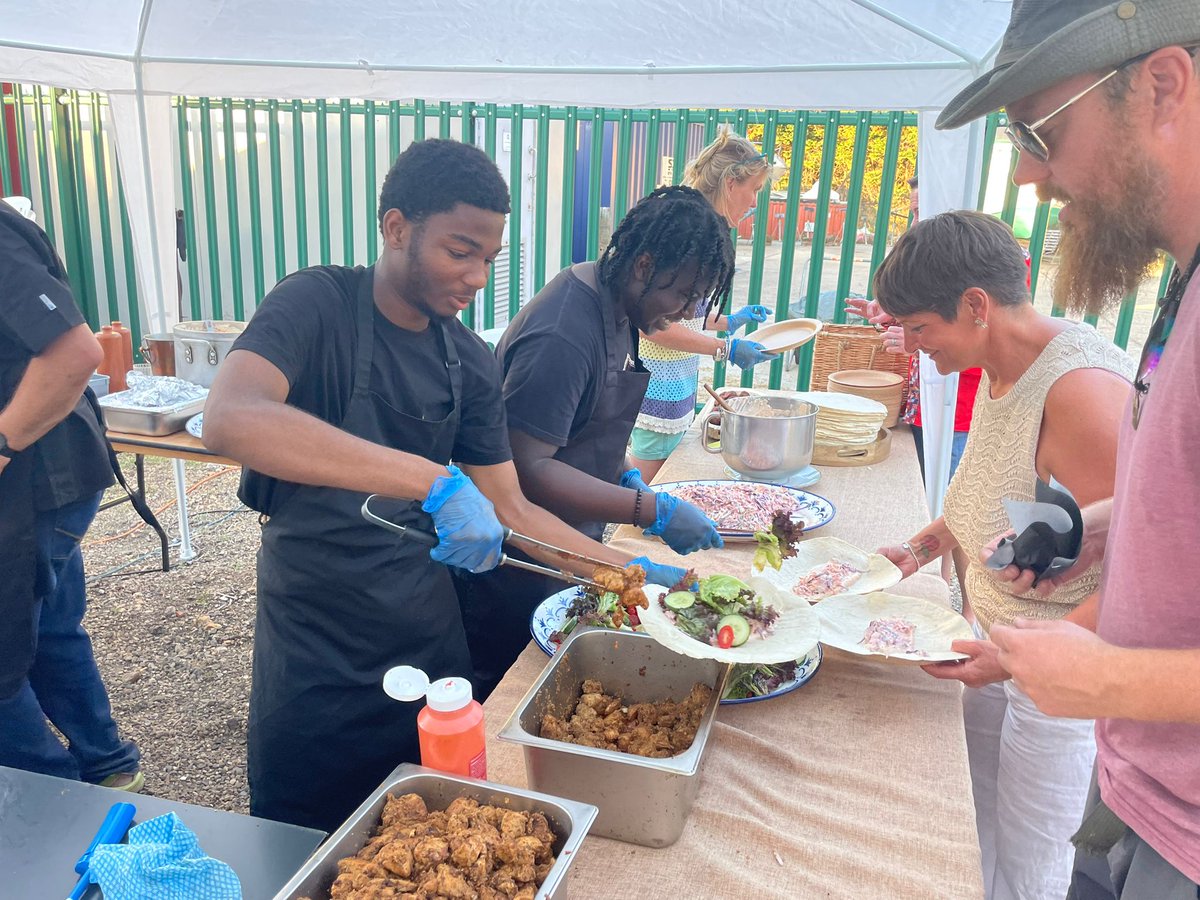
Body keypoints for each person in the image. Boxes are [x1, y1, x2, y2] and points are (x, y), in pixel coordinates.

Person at [203, 139, 683, 832]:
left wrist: (634, 572)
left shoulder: (466, 360)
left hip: (424, 637)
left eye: (489, 259)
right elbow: (232, 417)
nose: (479, 277)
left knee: (432, 833)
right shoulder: (319, 304)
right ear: (397, 228)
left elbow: (513, 505)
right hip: (313, 648)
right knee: (303, 839)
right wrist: (432, 480)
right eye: (460, 251)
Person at [935, 2, 1200, 896]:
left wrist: (1106, 673)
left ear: (1163, 84)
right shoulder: (1184, 286)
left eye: (1037, 129)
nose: (1030, 175)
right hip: (1136, 796)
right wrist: (1103, 521)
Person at [872, 210, 1132, 900]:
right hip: (998, 634)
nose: (911, 345)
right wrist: (922, 545)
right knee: (975, 818)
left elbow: (1143, 565)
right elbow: (991, 486)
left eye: (919, 328)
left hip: (1059, 666)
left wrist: (1030, 657)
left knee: (1031, 855)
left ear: (976, 306)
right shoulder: (999, 363)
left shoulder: (1081, 392)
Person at [452, 185, 737, 700]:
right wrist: (647, 507)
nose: (683, 312)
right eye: (681, 294)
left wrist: (624, 470)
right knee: (509, 690)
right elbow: (525, 469)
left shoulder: (622, 306)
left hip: (567, 545)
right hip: (518, 559)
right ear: (644, 264)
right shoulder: (565, 330)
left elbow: (591, 424)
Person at [0, 197, 143, 792]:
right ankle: (109, 770)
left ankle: (50, 796)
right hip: (51, 472)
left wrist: (2, 445)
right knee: (53, 628)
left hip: (36, 477)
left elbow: (75, 354)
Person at [628, 129, 779, 481]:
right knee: (641, 499)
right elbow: (653, 326)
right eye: (754, 190)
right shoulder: (684, 236)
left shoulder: (702, 233)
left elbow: (685, 310)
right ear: (730, 183)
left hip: (677, 389)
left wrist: (729, 320)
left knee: (656, 493)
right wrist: (724, 349)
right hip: (657, 391)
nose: (756, 202)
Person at [848, 175, 984, 484]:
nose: (914, 223)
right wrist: (893, 317)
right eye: (913, 212)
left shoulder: (985, 269)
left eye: (920, 212)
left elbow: (989, 350)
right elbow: (937, 317)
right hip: (923, 406)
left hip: (956, 416)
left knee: (943, 502)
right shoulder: (937, 263)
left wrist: (915, 339)